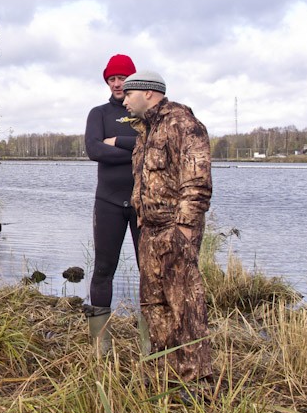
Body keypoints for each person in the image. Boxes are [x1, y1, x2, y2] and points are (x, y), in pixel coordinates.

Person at [122, 71, 213, 387]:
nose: (123, 100)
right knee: (155, 306)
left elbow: (197, 183)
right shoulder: (146, 130)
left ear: (147, 92)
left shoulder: (183, 124)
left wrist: (184, 232)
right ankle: (167, 374)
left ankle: (198, 381)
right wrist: (142, 219)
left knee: (184, 306)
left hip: (175, 231)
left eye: (127, 94)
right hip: (150, 231)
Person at [84, 54, 139, 355]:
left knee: (151, 271)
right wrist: (136, 150)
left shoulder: (145, 113)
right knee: (104, 269)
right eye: (112, 78)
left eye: (123, 78)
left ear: (133, 80)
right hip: (108, 201)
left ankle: (149, 340)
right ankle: (100, 344)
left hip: (144, 202)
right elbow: (93, 150)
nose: (117, 83)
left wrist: (115, 141)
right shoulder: (99, 113)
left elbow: (155, 146)